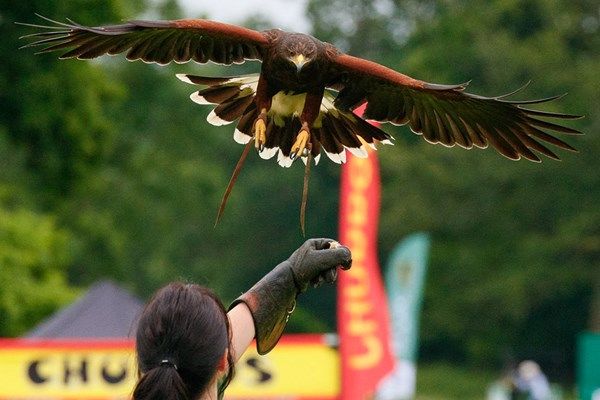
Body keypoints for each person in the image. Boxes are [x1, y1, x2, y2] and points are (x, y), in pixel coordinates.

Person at [132, 238, 352, 400]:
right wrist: (289, 277)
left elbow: (202, 349)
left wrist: (289, 278)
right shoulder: (211, 357)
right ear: (223, 360)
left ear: (142, 359)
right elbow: (205, 348)